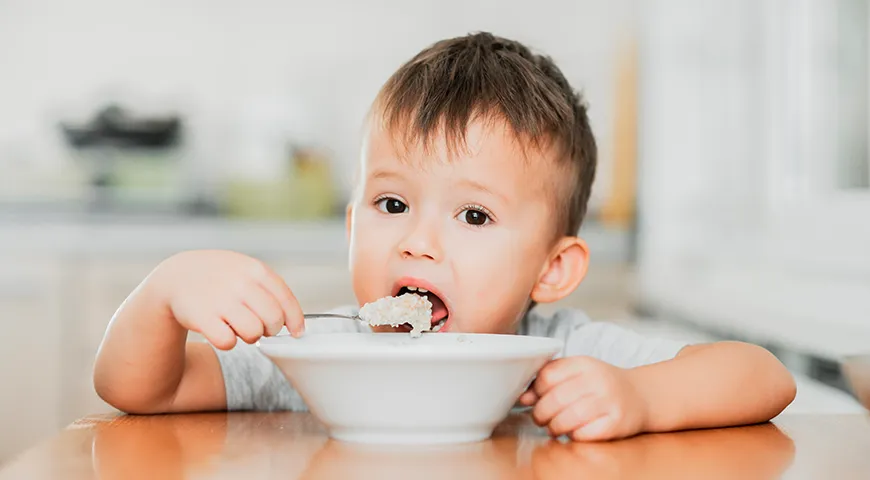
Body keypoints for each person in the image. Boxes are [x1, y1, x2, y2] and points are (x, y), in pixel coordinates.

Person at [94, 32, 796, 441]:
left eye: (474, 216)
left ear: (552, 271)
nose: (418, 243)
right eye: (391, 202)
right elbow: (139, 391)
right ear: (350, 223)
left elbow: (764, 376)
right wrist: (162, 294)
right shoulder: (314, 355)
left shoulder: (562, 353)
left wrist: (643, 401)